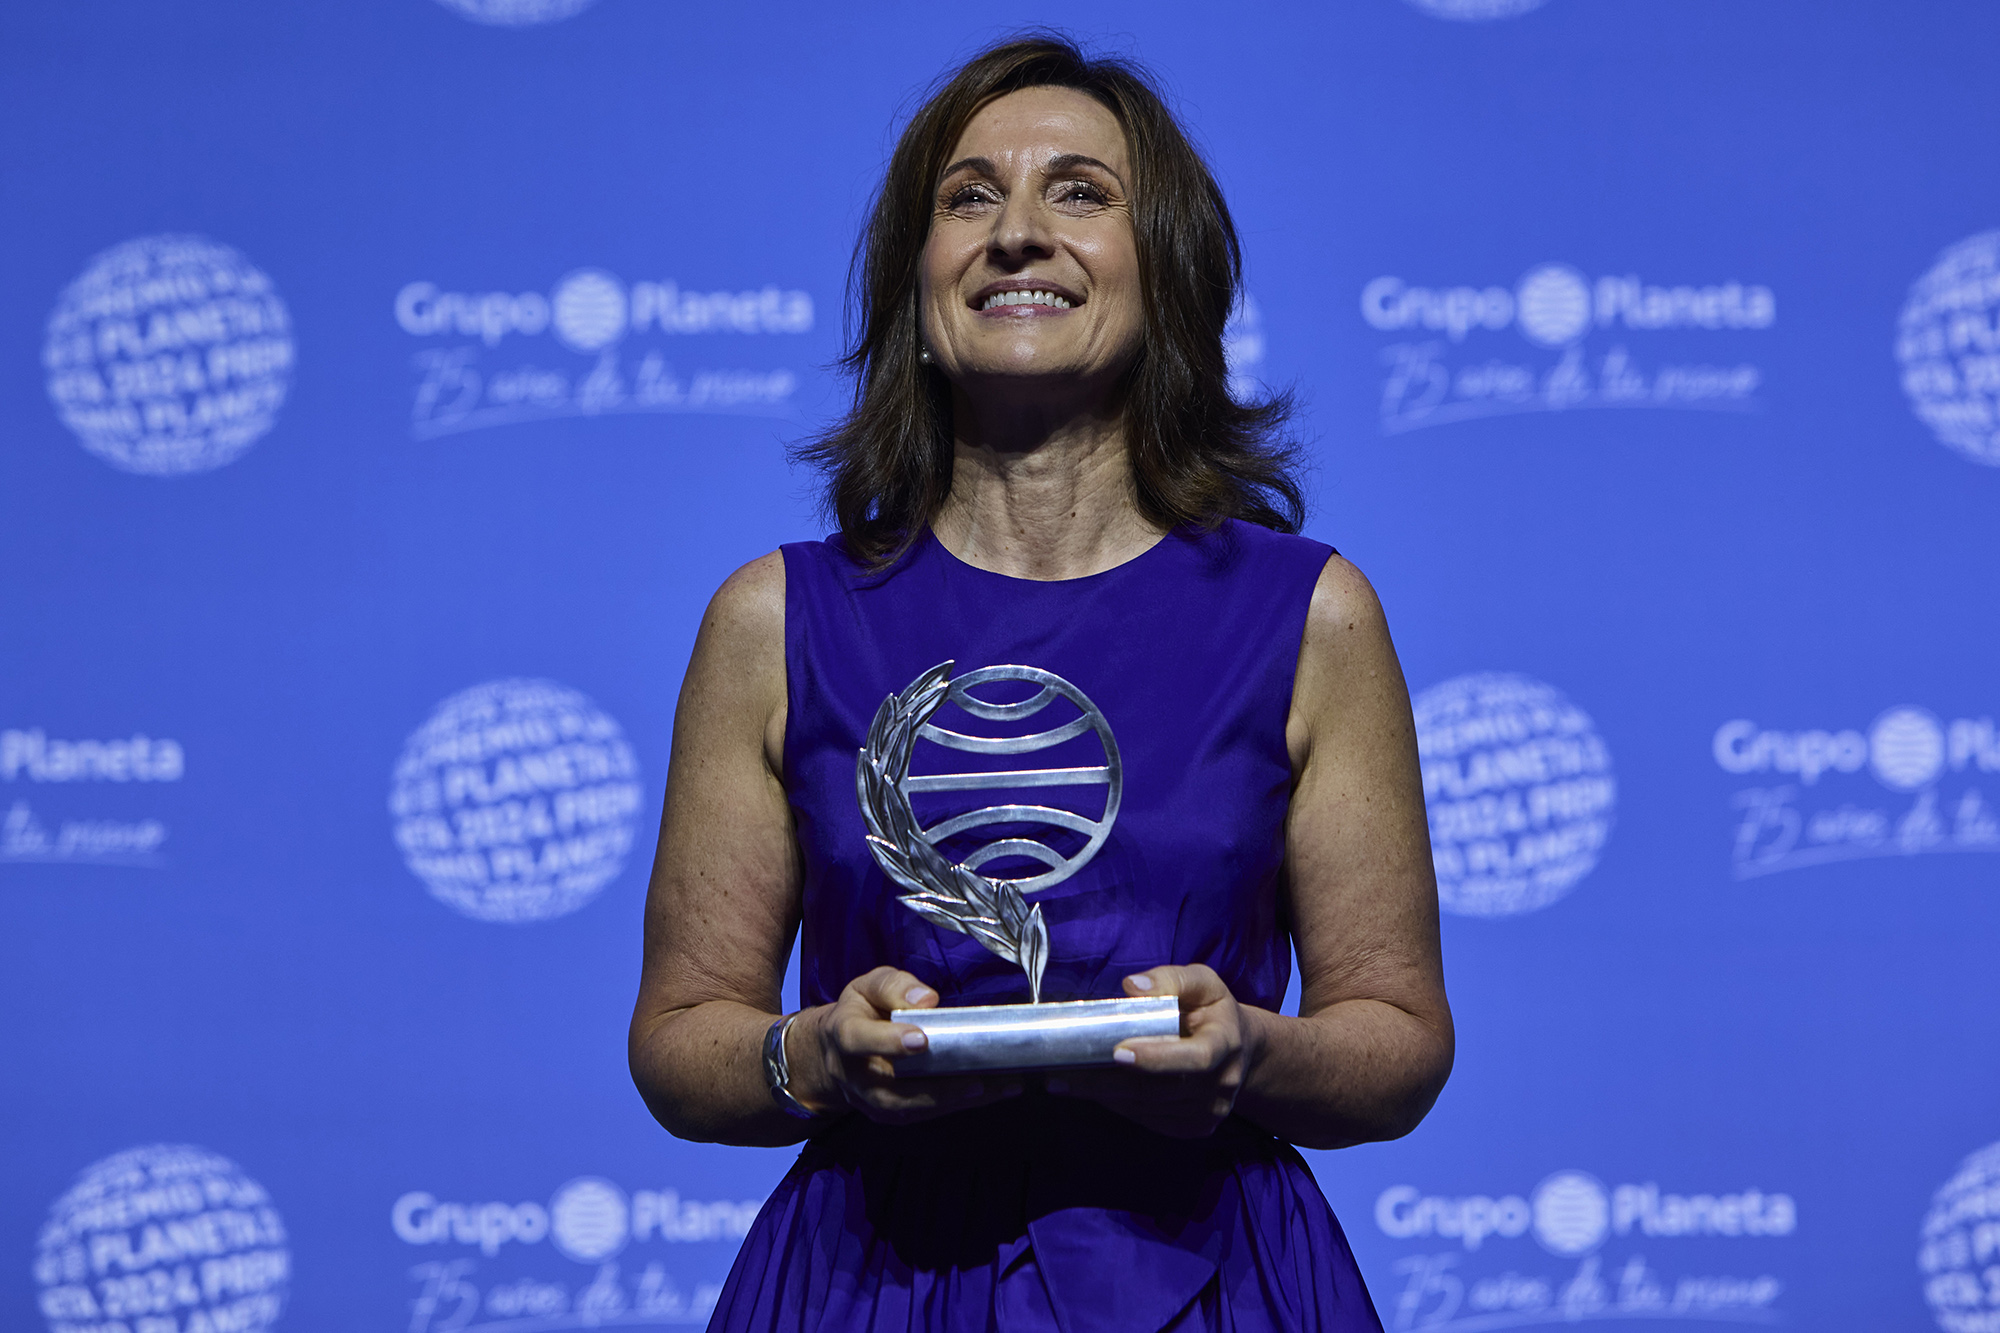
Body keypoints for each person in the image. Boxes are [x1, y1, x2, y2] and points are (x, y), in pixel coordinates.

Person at [629, 33, 1452, 1333]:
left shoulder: (1313, 614)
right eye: (968, 199)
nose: (1017, 233)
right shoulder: (772, 618)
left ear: (1167, 268)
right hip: (868, 1287)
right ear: (915, 284)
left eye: (1080, 192)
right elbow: (681, 1040)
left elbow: (1398, 1041)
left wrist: (1248, 1054)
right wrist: (817, 1053)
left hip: (1214, 1279)